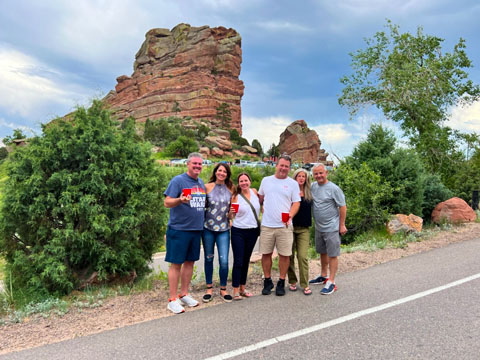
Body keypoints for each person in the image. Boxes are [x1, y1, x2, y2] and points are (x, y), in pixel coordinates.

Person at [164, 152, 206, 314]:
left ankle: (184, 294)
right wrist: (179, 200)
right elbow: (167, 202)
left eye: (200, 164)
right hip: (179, 229)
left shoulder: (200, 182)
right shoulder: (178, 181)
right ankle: (172, 299)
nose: (197, 166)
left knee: (190, 263)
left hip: (195, 230)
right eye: (194, 164)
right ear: (188, 164)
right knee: (176, 264)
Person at [258, 154, 301, 296]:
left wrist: (290, 215)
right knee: (266, 253)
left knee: (285, 255)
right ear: (276, 165)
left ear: (289, 168)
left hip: (284, 226)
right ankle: (268, 280)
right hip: (267, 225)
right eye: (281, 165)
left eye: (286, 166)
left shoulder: (293, 184)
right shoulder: (266, 181)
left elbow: (296, 203)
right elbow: (260, 198)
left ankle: (281, 281)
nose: (283, 168)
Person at [309, 164, 347, 295]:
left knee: (332, 254)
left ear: (326, 173)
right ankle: (323, 275)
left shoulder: (334, 188)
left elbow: (342, 207)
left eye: (321, 173)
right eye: (316, 174)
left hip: (332, 227)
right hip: (319, 227)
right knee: (322, 252)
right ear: (313, 175)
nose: (319, 176)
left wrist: (341, 225)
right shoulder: (313, 187)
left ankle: (332, 281)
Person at [202, 163, 234, 303]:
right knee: (209, 258)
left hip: (224, 229)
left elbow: (231, 212)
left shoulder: (231, 188)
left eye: (224, 171)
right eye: (219, 170)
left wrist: (231, 215)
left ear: (227, 174)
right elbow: (201, 206)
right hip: (208, 228)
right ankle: (209, 288)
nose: (222, 173)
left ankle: (223, 288)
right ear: (215, 172)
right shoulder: (207, 187)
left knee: (224, 261)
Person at [230, 172, 261, 300]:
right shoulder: (235, 196)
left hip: (253, 231)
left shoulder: (255, 192)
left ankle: (243, 288)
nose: (244, 183)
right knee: (238, 260)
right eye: (241, 181)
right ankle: (235, 290)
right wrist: (231, 214)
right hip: (238, 231)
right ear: (239, 183)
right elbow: (230, 216)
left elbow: (263, 205)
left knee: (246, 259)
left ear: (250, 181)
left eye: (246, 180)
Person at [287, 168, 313, 296]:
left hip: (304, 229)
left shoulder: (309, 192)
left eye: (304, 176)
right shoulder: (290, 191)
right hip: (290, 228)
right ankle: (292, 281)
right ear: (295, 177)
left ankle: (305, 284)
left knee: (302, 256)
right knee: (289, 255)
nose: (301, 178)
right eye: (299, 176)